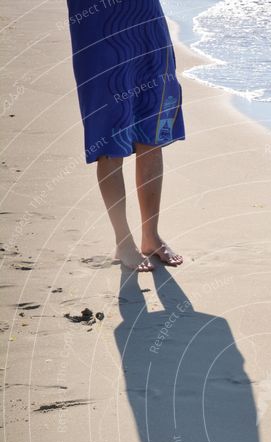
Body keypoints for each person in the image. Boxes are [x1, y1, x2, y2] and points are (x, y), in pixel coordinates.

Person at [66, 0, 185, 271]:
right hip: (99, 24)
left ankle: (150, 236)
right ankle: (123, 240)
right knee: (109, 134)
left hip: (146, 18)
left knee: (152, 127)